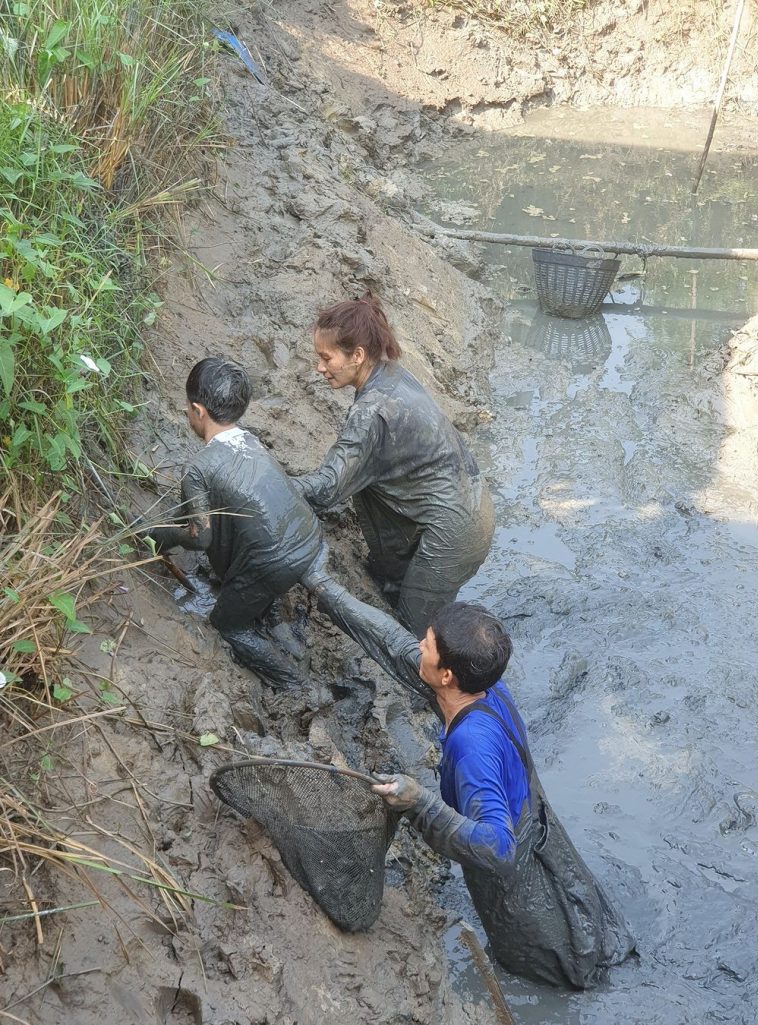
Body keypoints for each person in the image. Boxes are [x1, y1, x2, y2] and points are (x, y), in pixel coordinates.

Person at [303, 562, 635, 988]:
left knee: (551, 975)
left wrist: (420, 802)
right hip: (541, 837)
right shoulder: (486, 685)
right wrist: (321, 583)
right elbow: (391, 643)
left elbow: (498, 848)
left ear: (445, 674)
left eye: (426, 645)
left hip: (519, 899)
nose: (418, 648)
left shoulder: (470, 747)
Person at [291, 291, 495, 638]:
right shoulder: (391, 374)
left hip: (454, 531)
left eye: (326, 358)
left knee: (414, 638)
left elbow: (327, 488)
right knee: (415, 603)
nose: (320, 368)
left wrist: (270, 483)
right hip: (471, 504)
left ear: (357, 355)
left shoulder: (371, 413)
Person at [142, 356, 324, 689]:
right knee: (256, 579)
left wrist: (159, 535)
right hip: (307, 539)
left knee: (227, 623)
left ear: (198, 411)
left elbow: (200, 538)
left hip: (273, 562)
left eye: (187, 409)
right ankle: (281, 629)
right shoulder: (251, 440)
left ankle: (296, 684)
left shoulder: (198, 470)